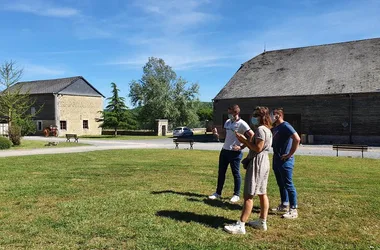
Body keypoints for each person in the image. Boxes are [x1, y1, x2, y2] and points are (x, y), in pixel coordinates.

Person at [224, 107, 273, 234]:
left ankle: (241, 225)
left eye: (255, 115)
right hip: (264, 161)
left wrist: (243, 140)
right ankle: (262, 221)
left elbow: (257, 148)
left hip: (258, 162)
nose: (253, 118)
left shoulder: (261, 130)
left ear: (261, 117)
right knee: (262, 192)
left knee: (248, 195)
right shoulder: (268, 129)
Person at [208, 104, 254, 203]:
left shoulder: (242, 124)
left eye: (230, 113)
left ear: (236, 113)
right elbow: (224, 135)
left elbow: (251, 135)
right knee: (221, 172)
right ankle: (218, 193)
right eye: (228, 112)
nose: (228, 115)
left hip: (235, 153)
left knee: (235, 173)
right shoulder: (228, 122)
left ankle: (236, 194)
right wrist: (217, 134)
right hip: (224, 150)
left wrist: (242, 146)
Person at [271, 108, 301, 219]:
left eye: (271, 115)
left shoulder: (285, 126)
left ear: (278, 115)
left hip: (285, 160)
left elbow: (297, 139)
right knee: (281, 183)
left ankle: (293, 209)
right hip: (277, 158)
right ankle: (284, 204)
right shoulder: (276, 128)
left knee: (288, 184)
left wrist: (289, 154)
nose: (270, 117)